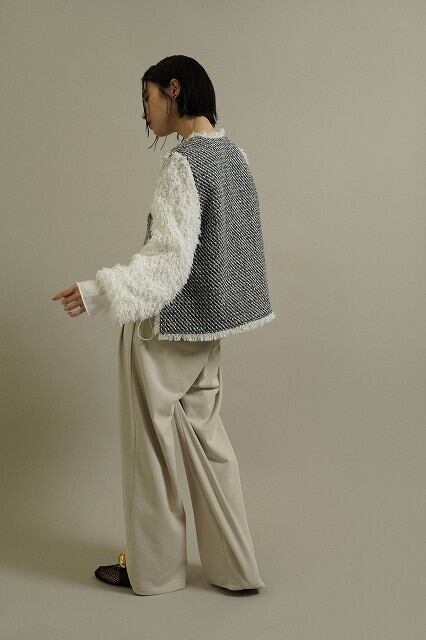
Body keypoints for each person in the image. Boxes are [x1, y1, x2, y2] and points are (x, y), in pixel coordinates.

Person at [51, 54, 276, 596]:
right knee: (210, 446)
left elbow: (169, 261)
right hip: (209, 330)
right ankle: (237, 569)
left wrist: (98, 290)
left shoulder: (184, 162)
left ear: (174, 90)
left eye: (147, 98)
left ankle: (152, 572)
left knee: (149, 448)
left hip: (164, 327)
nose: (144, 112)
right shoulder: (235, 156)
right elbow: (241, 252)